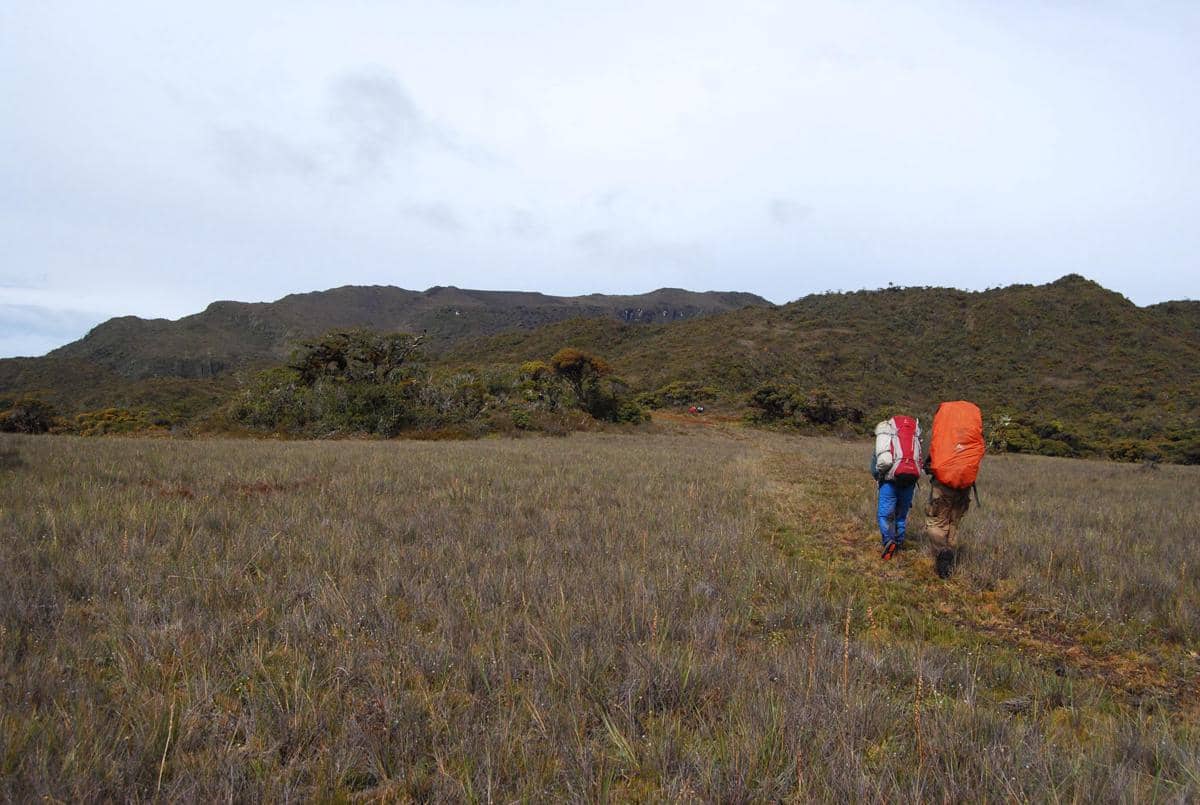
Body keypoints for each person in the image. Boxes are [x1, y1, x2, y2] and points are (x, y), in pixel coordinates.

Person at [923, 400, 985, 579]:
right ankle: (949, 557)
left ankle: (942, 555)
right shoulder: (971, 433)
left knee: (936, 521)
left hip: (943, 484)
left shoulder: (941, 434)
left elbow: (931, 455)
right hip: (965, 485)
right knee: (953, 522)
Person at [871, 415, 922, 560]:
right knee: (901, 515)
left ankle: (888, 541)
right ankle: (899, 543)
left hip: (889, 481)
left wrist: (878, 477)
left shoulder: (886, 437)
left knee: (885, 515)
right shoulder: (914, 437)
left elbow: (875, 465)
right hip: (909, 481)